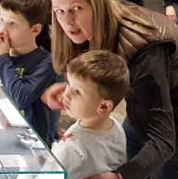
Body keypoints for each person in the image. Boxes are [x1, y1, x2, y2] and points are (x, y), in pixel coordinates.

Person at [44, 0, 178, 179]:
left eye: (76, 9)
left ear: (96, 2)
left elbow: (163, 140)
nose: (67, 21)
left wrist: (120, 176)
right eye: (59, 11)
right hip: (146, 117)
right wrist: (75, 89)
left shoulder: (143, 46)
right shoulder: (96, 24)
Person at [0, 0, 58, 145]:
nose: (3, 30)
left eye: (13, 24)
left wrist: (3, 57)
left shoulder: (47, 64)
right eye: (2, 20)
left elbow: (21, 98)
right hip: (0, 139)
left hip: (32, 146)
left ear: (35, 29)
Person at [52, 50, 128, 179]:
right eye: (69, 84)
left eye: (77, 91)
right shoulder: (116, 127)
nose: (66, 94)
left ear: (103, 106)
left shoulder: (70, 151)